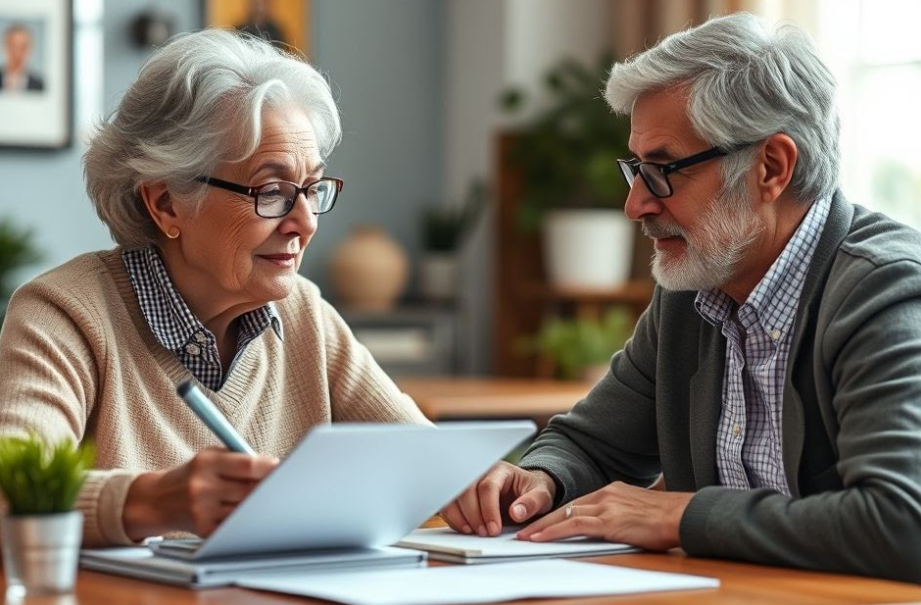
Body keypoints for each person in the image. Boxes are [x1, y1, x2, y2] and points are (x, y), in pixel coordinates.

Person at [441, 13, 921, 583]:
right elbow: (594, 444)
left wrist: (680, 515)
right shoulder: (694, 290)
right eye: (637, 170)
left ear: (771, 167)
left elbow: (903, 524)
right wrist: (540, 479)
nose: (635, 204)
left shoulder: (887, 292)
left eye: (664, 169)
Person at [0, 30, 428, 547]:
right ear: (166, 203)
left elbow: (423, 459)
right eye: (271, 191)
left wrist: (483, 484)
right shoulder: (63, 315)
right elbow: (13, 492)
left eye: (312, 189)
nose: (306, 222)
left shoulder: (304, 314)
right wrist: (154, 501)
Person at [0, 24, 45, 92]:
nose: (17, 53)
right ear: (5, 46)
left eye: (22, 47)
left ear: (30, 49)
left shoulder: (39, 84)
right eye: (13, 46)